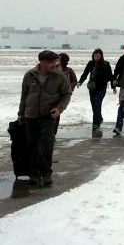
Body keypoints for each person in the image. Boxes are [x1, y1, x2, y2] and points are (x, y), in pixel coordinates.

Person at [18, 50, 72, 187]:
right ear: (42, 63)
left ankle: (46, 174)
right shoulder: (29, 75)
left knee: (47, 144)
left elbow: (67, 94)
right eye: (51, 62)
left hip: (49, 115)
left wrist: (59, 108)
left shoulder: (60, 77)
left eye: (56, 61)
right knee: (32, 145)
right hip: (31, 115)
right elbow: (24, 95)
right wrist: (21, 113)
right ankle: (34, 175)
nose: (55, 64)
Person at [77, 48, 114, 137]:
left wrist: (113, 86)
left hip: (101, 87)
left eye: (98, 56)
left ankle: (95, 125)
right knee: (94, 106)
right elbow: (85, 73)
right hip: (92, 87)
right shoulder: (91, 64)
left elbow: (110, 76)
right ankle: (99, 118)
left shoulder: (105, 64)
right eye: (95, 56)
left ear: (101, 56)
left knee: (97, 104)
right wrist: (80, 82)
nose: (96, 58)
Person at [54, 53, 77, 135]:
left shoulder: (69, 70)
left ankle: (54, 132)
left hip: (63, 94)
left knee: (57, 110)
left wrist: (70, 88)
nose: (57, 60)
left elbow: (74, 80)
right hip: (53, 93)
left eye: (59, 58)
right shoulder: (53, 68)